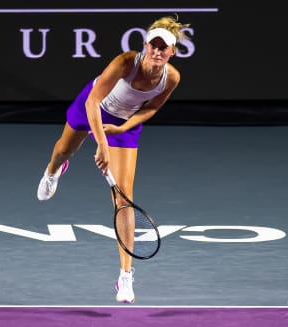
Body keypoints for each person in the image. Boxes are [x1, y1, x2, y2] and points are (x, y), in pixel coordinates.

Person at [36, 16, 189, 304]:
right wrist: (101, 144)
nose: (157, 52)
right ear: (145, 46)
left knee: (124, 199)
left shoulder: (172, 78)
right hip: (93, 107)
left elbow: (152, 107)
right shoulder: (125, 62)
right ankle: (53, 171)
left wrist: (122, 129)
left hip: (124, 124)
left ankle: (125, 276)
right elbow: (93, 101)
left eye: (163, 48)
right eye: (153, 45)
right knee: (63, 150)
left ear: (172, 52)